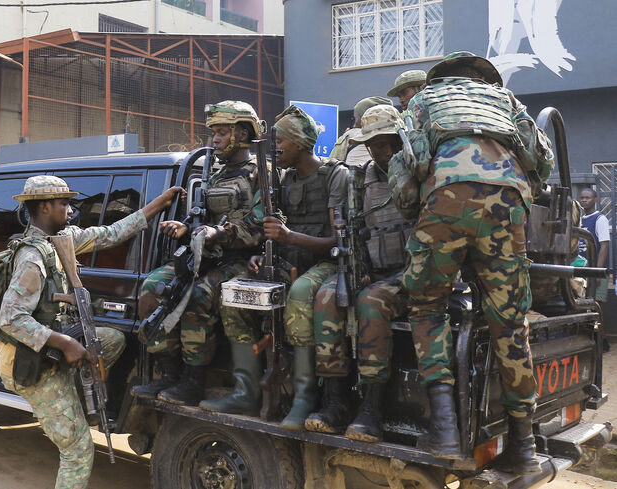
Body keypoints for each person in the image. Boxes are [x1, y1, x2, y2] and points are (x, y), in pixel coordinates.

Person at [396, 52, 554, 473]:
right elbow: (541, 159)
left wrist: (420, 208)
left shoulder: (422, 101)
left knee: (427, 306)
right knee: (510, 321)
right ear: (483, 78)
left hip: (446, 195)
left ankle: (445, 430)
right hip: (509, 200)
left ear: (439, 79)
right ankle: (523, 448)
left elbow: (412, 165)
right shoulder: (506, 100)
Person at [0, 175, 182, 489]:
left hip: (49, 350)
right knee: (78, 448)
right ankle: (67, 408)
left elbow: (110, 234)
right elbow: (10, 318)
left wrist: (157, 205)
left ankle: (71, 398)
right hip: (28, 361)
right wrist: (65, 342)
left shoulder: (62, 240)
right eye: (64, 203)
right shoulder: (32, 258)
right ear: (44, 207)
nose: (71, 209)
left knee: (111, 340)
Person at [204, 105, 348, 430]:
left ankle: (303, 398)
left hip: (325, 263)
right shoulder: (284, 179)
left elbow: (337, 242)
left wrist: (288, 236)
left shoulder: (334, 174)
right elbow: (273, 228)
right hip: (290, 260)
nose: (274, 147)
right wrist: (264, 253)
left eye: (280, 140)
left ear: (299, 143)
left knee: (298, 296)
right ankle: (245, 391)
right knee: (236, 294)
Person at [133, 101, 265, 406]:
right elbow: (204, 220)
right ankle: (170, 374)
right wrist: (185, 228)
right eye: (214, 133)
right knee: (153, 286)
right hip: (207, 255)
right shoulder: (215, 175)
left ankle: (194, 382)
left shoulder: (262, 174)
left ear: (242, 133)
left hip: (244, 261)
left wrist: (218, 234)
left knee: (199, 294)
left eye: (222, 132)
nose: (215, 139)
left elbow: (260, 227)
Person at [304, 105, 416, 442]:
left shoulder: (420, 176)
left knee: (371, 301)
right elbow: (354, 233)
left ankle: (372, 408)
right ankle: (335, 401)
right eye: (376, 145)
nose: (385, 151)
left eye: (391, 143)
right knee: (326, 296)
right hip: (376, 271)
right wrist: (359, 270)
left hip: (414, 274)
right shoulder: (360, 181)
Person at [330, 96, 393, 167]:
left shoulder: (350, 135)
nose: (354, 125)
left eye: (355, 118)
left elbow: (331, 165)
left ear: (364, 118)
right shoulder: (399, 134)